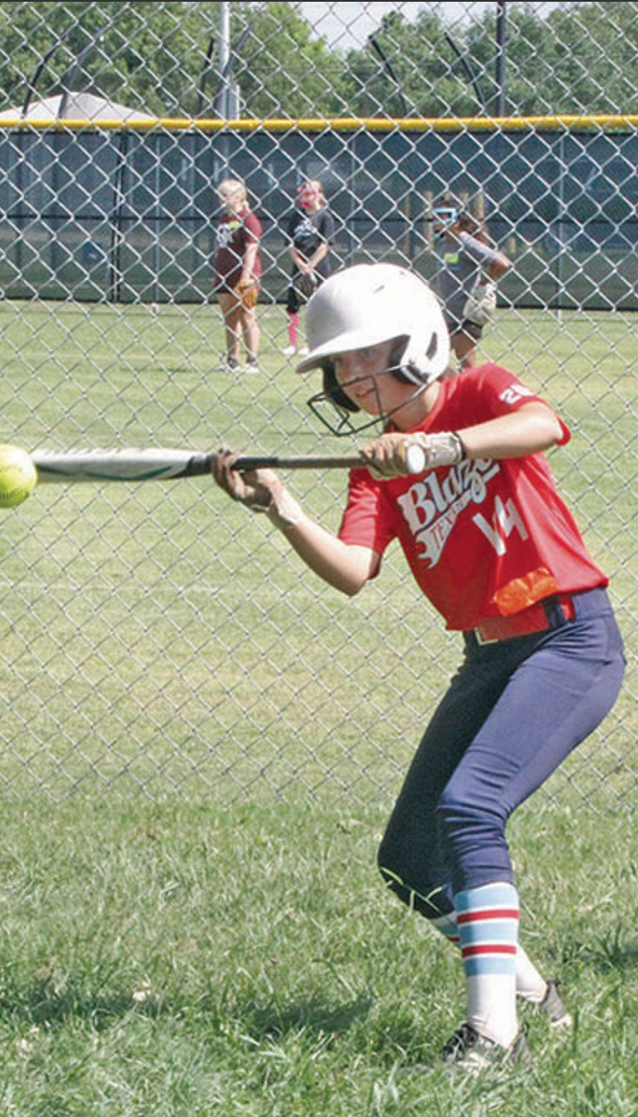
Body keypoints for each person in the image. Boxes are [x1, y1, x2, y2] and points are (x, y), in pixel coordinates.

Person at [211, 263, 624, 1070]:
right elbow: (354, 569)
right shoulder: (376, 465)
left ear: (423, 342)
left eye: (373, 354)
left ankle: (494, 1036)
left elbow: (544, 425)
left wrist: (440, 446)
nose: (356, 377)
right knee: (408, 857)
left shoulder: (476, 393)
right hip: (489, 658)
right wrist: (282, 508)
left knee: (470, 808)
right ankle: (537, 995)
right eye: (341, 365)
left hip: (568, 637)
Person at [431, 195, 512, 371]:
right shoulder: (442, 243)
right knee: (436, 362)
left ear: (457, 219)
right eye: (435, 215)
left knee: (466, 365)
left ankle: (468, 395)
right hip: (446, 313)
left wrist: (483, 282)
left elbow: (501, 263)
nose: (438, 220)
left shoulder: (465, 241)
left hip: (465, 315)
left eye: (443, 215)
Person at [281, 178, 335, 358]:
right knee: (293, 305)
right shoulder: (296, 216)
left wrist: (311, 265)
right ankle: (292, 343)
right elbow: (290, 244)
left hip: (318, 266)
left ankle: (311, 343)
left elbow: (324, 245)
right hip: (300, 266)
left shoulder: (325, 217)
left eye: (310, 194)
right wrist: (300, 264)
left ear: (318, 195)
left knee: (316, 305)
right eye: (303, 194)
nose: (306, 198)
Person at [212, 177, 262, 371]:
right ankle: (232, 359)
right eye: (221, 195)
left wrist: (246, 277)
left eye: (226, 195)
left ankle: (252, 360)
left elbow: (251, 249)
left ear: (239, 196)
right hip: (224, 273)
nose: (223, 199)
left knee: (247, 316)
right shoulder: (225, 219)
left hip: (244, 275)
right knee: (230, 317)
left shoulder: (248, 219)